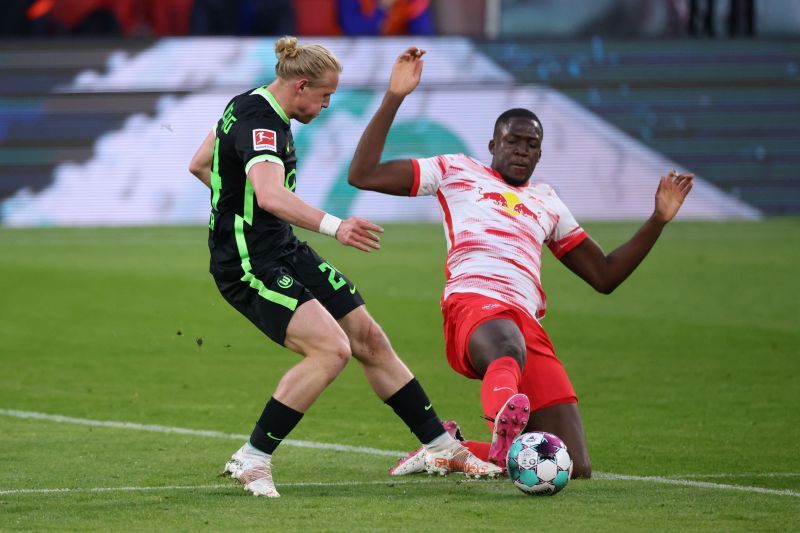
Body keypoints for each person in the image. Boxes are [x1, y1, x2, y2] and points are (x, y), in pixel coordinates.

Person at [347, 48, 694, 478]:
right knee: (506, 347)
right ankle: (502, 428)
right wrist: (395, 97)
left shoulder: (547, 202)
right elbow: (362, 174)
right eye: (513, 141)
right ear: (493, 144)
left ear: (540, 154)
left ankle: (449, 449)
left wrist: (657, 220)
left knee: (573, 463)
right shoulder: (456, 171)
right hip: (474, 303)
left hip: (526, 321)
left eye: (532, 145)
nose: (522, 151)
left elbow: (604, 276)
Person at [188, 37, 500, 498]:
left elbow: (199, 164)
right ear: (300, 86)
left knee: (368, 339)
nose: (328, 105)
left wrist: (233, 199)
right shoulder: (262, 126)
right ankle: (253, 458)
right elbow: (271, 196)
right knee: (331, 350)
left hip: (281, 247)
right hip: (248, 262)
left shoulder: (248, 102)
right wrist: (336, 226)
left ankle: (440, 446)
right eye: (324, 96)